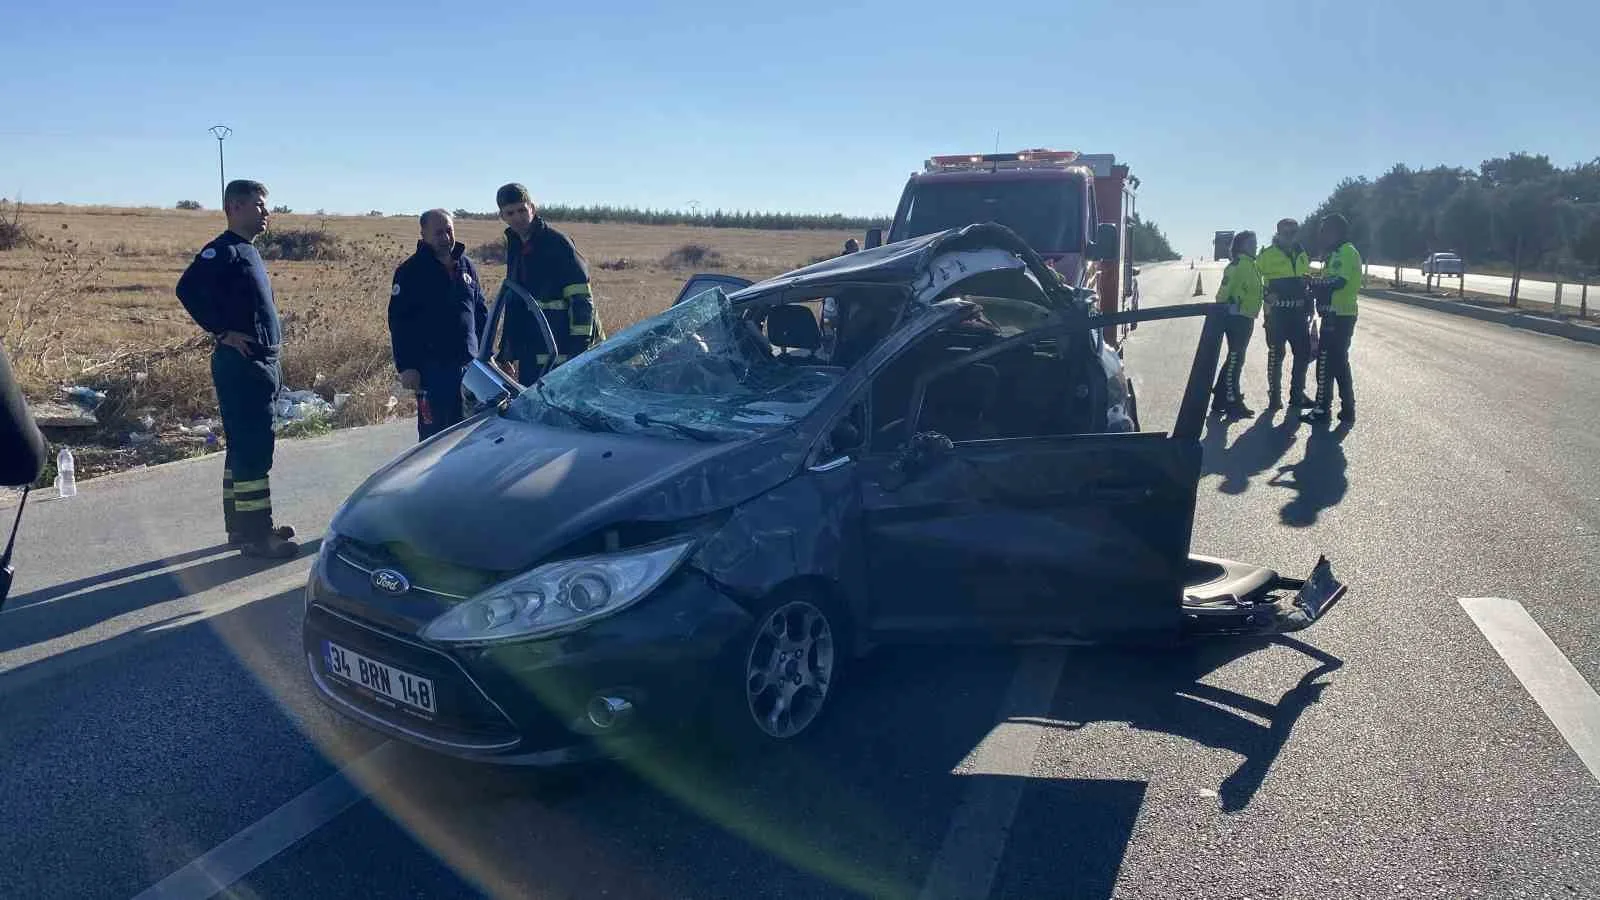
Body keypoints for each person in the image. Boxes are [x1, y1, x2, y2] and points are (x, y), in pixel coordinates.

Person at [174, 179, 298, 558]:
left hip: (261, 363)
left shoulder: (248, 251)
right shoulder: (223, 251)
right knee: (254, 450)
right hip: (243, 365)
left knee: (243, 448)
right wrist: (222, 331)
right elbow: (187, 289)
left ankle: (241, 529)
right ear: (235, 208)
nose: (266, 212)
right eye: (258, 205)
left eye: (266, 206)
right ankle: (259, 535)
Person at [388, 209, 489, 441]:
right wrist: (407, 366)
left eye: (449, 230)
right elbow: (399, 322)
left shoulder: (466, 267)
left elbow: (480, 313)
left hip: (470, 367)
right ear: (423, 235)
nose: (445, 237)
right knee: (435, 438)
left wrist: (489, 355)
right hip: (432, 371)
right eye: (438, 233)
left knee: (470, 434)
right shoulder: (410, 272)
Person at [494, 183, 602, 382]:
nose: (517, 217)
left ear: (532, 208)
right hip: (534, 351)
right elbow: (516, 302)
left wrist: (579, 350)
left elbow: (582, 300)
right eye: (510, 213)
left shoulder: (556, 243)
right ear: (502, 216)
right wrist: (508, 350)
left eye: (521, 210)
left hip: (565, 353)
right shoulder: (516, 246)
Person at [1302, 214, 1360, 424]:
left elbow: (1338, 281)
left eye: (1325, 230)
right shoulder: (1335, 253)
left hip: (1339, 316)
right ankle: (1347, 409)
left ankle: (1322, 410)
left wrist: (1315, 284)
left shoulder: (1345, 252)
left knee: (1326, 364)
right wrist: (1315, 283)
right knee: (1339, 364)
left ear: (1336, 231)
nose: (1322, 235)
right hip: (1333, 314)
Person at [1257, 218, 1313, 409]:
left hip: (1298, 313)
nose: (1290, 236)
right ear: (1278, 233)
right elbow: (1254, 279)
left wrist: (1309, 302)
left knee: (1303, 353)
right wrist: (1266, 294)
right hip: (1277, 313)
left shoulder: (1301, 253)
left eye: (1294, 232)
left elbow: (1305, 281)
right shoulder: (1267, 255)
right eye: (1286, 232)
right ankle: (1274, 396)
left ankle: (1297, 393)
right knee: (1276, 354)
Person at [1211, 230, 1263, 418]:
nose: (1255, 246)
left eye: (1255, 243)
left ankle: (1219, 397)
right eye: (1251, 243)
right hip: (1236, 318)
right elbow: (1224, 291)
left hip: (1247, 316)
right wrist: (1220, 313)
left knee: (1234, 359)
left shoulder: (1252, 265)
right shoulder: (1238, 265)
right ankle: (1232, 402)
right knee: (1236, 360)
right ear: (1241, 246)